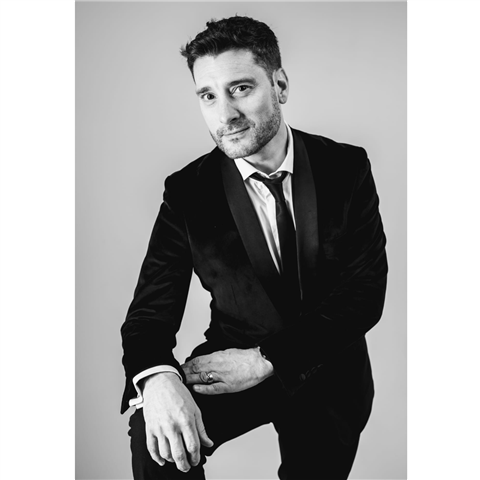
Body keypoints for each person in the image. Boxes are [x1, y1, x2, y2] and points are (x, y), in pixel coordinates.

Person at [121, 15, 388, 480]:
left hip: (329, 368)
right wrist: (157, 378)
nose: (224, 115)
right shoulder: (187, 192)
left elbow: (363, 295)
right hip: (231, 363)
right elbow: (149, 314)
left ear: (279, 85)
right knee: (157, 435)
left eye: (240, 89)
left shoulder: (346, 167)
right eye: (208, 96)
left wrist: (265, 360)